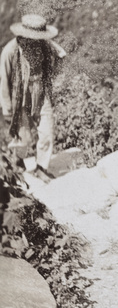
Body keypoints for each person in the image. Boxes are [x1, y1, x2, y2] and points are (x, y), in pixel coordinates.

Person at [0, 14, 66, 183]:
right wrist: (6, 107)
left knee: (47, 130)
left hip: (41, 91)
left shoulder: (45, 45)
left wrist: (53, 78)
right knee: (23, 136)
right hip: (19, 95)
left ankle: (41, 167)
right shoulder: (10, 51)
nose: (36, 41)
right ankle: (18, 160)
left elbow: (60, 55)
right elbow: (3, 79)